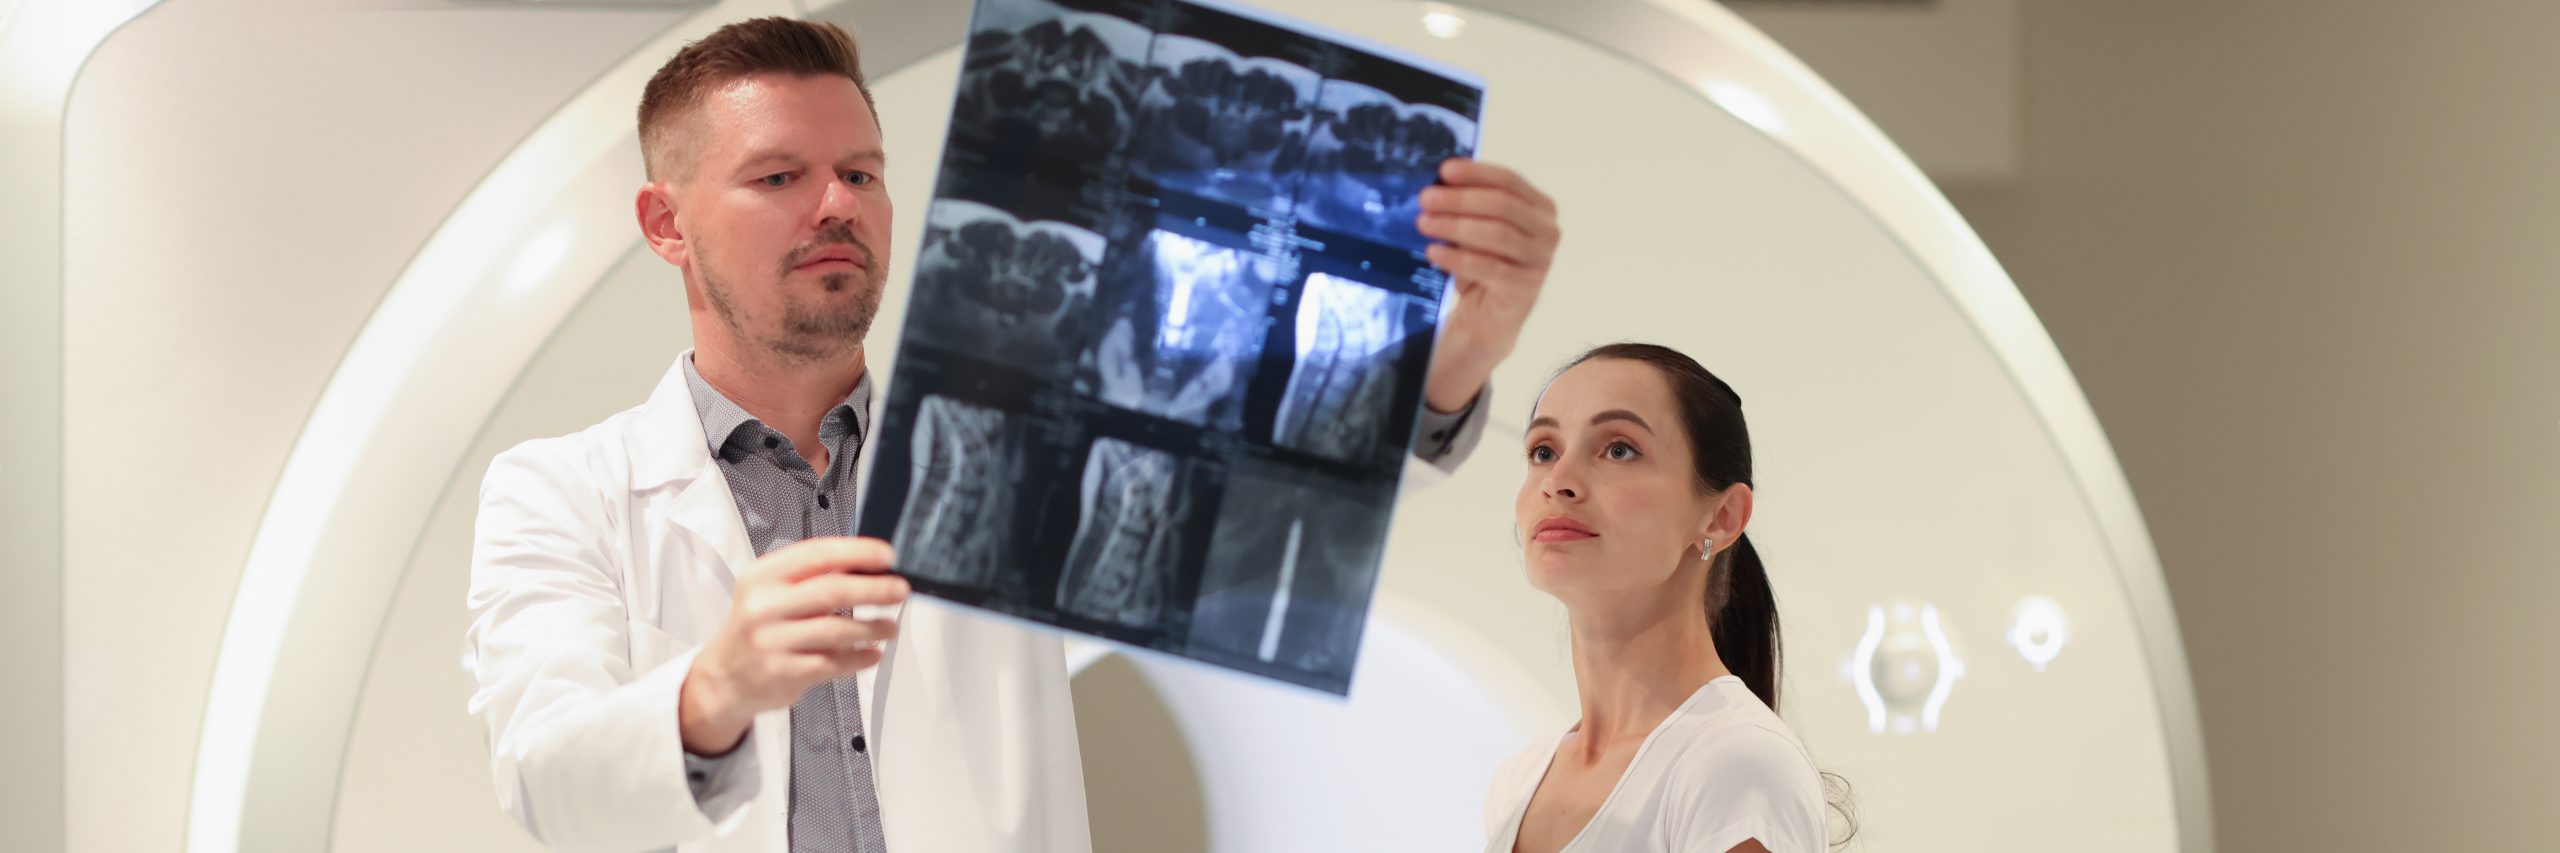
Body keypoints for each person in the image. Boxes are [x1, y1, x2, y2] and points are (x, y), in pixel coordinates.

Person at [463, 16, 1562, 853]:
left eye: (860, 172)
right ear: (667, 224)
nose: (836, 204)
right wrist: (714, 690)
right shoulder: (561, 490)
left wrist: (1462, 349)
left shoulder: (1009, 442)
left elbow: (1260, 513)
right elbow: (547, 781)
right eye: (778, 177)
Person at [1482, 344, 1845, 853]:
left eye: (1618, 449)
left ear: (1721, 518)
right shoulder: (1519, 780)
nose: (1558, 481)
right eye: (1544, 451)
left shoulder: (1736, 766)